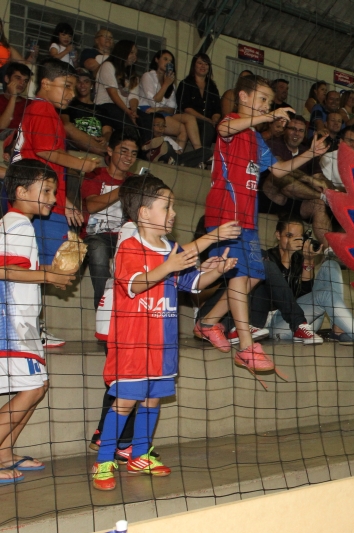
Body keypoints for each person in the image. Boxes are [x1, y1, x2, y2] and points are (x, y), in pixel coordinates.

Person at [91, 173, 236, 491]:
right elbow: (134, 285)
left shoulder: (171, 248)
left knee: (153, 400)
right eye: (166, 206)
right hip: (132, 344)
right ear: (144, 213)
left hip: (164, 344)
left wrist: (215, 272)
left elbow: (192, 284)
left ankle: (140, 455)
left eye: (173, 206)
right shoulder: (129, 247)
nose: (173, 213)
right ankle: (103, 460)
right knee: (125, 402)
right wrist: (170, 265)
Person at [194, 75, 328, 369]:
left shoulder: (256, 139)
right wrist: (268, 116)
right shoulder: (232, 123)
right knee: (239, 275)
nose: (268, 105)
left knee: (254, 275)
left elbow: (279, 170)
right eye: (263, 99)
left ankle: (208, 321)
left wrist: (310, 153)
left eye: (270, 101)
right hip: (225, 213)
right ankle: (246, 346)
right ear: (243, 97)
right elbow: (223, 129)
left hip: (248, 220)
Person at [0, 160, 78, 483]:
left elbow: (21, 269)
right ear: (21, 192)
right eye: (45, 191)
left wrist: (53, 273)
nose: (53, 198)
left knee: (40, 385)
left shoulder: (21, 224)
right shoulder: (16, 224)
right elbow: (5, 270)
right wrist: (49, 275)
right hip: (12, 322)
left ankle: (4, 453)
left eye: (54, 192)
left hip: (25, 323)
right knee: (32, 388)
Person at [266, 217, 354, 375]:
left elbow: (305, 294)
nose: (294, 241)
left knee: (331, 265)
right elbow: (277, 298)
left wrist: (308, 261)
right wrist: (287, 257)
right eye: (289, 235)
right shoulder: (267, 258)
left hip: (302, 323)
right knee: (325, 295)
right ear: (278, 235)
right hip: (278, 326)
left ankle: (337, 328)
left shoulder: (298, 258)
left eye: (298, 237)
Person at [12, 59, 96, 273]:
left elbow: (40, 159)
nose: (72, 94)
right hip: (41, 206)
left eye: (73, 88)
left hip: (44, 200)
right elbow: (45, 151)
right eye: (66, 86)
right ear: (46, 83)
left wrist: (63, 200)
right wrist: (82, 164)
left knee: (44, 268)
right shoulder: (43, 109)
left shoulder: (40, 109)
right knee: (56, 270)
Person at [81, 132, 138, 309]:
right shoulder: (96, 174)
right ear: (110, 151)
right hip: (96, 235)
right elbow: (91, 206)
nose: (129, 157)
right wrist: (123, 189)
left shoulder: (134, 180)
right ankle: (104, 309)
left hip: (124, 236)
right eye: (124, 151)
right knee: (98, 251)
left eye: (134, 153)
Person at [139, 50, 203, 152]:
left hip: (162, 112)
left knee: (190, 118)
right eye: (165, 59)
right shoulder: (148, 76)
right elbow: (153, 102)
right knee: (182, 129)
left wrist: (159, 108)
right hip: (148, 110)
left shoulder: (171, 84)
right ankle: (176, 155)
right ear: (157, 59)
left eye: (170, 61)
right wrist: (166, 85)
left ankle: (199, 151)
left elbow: (172, 109)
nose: (168, 63)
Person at [175, 53, 222, 148]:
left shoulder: (212, 87)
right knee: (207, 127)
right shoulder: (185, 83)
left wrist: (214, 119)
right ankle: (201, 154)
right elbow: (186, 108)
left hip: (209, 122)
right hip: (191, 120)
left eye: (206, 64)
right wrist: (205, 119)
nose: (203, 66)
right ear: (194, 65)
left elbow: (217, 109)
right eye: (200, 63)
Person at [94, 40, 140, 136]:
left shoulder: (133, 75)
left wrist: (133, 111)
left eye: (136, 54)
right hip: (106, 105)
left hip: (125, 108)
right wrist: (127, 111)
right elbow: (112, 93)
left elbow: (133, 96)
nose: (134, 56)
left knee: (146, 121)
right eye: (131, 52)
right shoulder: (108, 66)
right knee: (129, 130)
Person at [61, 68, 110, 154]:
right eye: (78, 82)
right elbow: (65, 124)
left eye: (86, 82)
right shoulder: (68, 104)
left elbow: (107, 131)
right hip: (75, 148)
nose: (82, 85)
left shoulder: (101, 110)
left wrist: (105, 138)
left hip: (97, 149)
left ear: (91, 85)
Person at [0, 63, 31, 135]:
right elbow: (1, 127)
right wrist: (13, 97)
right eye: (18, 78)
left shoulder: (29, 104)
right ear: (7, 79)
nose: (22, 83)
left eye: (25, 81)